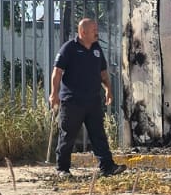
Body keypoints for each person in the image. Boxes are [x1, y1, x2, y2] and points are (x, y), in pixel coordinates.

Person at [49, 17, 126, 176]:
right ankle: (62, 169)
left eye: (96, 30)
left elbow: (103, 72)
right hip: (72, 101)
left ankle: (108, 167)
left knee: (98, 135)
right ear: (83, 32)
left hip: (93, 101)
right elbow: (57, 72)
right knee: (67, 136)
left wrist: (108, 89)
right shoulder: (69, 48)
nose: (97, 33)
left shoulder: (97, 48)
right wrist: (54, 94)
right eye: (94, 30)